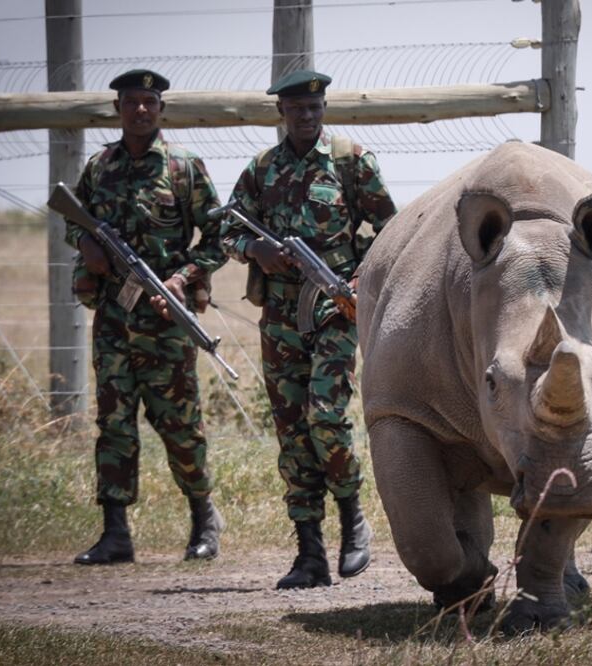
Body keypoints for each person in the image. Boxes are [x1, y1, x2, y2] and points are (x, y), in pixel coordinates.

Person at [221, 69, 397, 589]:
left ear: (324, 109)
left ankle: (352, 518)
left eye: (314, 108)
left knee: (325, 415)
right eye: (297, 109)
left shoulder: (350, 160)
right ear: (282, 113)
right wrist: (256, 250)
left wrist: (359, 278)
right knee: (292, 431)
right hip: (279, 317)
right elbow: (226, 229)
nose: (307, 116)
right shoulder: (262, 169)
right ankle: (309, 553)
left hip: (335, 310)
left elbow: (389, 227)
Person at [68, 69, 227, 565]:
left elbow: (219, 239)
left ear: (161, 109)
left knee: (180, 424)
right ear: (118, 109)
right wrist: (86, 245)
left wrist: (182, 278)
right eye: (132, 102)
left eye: (150, 102)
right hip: (114, 318)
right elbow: (74, 222)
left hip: (164, 319)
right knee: (114, 423)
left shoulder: (184, 168)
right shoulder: (100, 168)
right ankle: (115, 533)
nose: (141, 110)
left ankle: (204, 522)